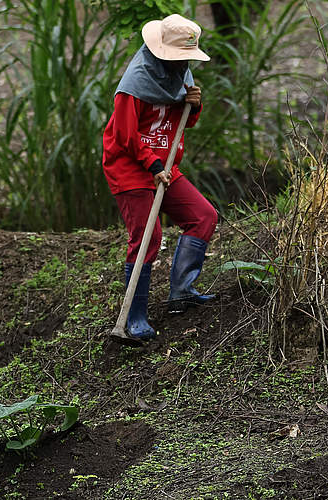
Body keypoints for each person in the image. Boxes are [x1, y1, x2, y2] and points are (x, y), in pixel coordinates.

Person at [102, 14, 219, 342]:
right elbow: (124, 134)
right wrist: (152, 166)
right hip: (130, 165)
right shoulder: (134, 84)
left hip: (163, 163)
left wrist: (193, 107)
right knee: (148, 235)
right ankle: (134, 316)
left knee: (203, 216)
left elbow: (181, 122)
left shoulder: (181, 73)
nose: (183, 63)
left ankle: (182, 291)